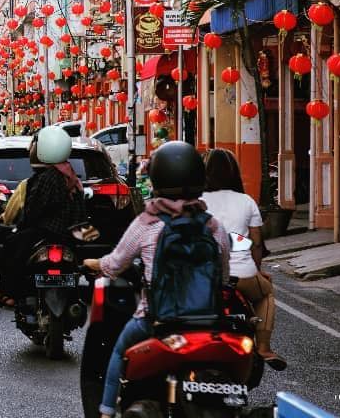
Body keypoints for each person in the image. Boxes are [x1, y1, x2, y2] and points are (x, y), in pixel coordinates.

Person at [83, 141, 231, 418]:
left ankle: (105, 411)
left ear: (157, 179)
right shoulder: (213, 225)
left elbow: (115, 265)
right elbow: (223, 275)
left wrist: (93, 264)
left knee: (118, 352)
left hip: (156, 320)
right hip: (208, 321)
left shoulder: (148, 223)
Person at [201, 148, 286, 370]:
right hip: (242, 275)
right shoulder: (246, 201)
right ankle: (264, 347)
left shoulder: (196, 201)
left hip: (204, 276)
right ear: (234, 173)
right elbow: (256, 243)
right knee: (266, 293)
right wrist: (257, 270)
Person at [0, 126, 87, 306]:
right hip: (70, 231)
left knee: (13, 244)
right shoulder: (68, 173)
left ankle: (5, 290)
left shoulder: (48, 177)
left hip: (48, 231)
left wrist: (22, 225)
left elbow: (34, 210)